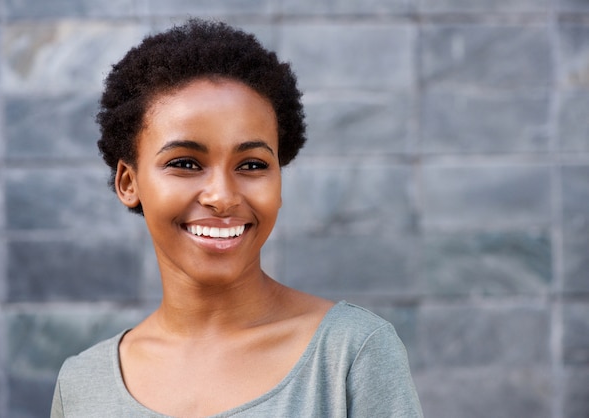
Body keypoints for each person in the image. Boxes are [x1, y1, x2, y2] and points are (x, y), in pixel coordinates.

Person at [51, 19, 423, 418]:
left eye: (251, 164)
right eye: (185, 163)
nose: (222, 197)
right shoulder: (82, 385)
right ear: (129, 182)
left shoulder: (351, 355)